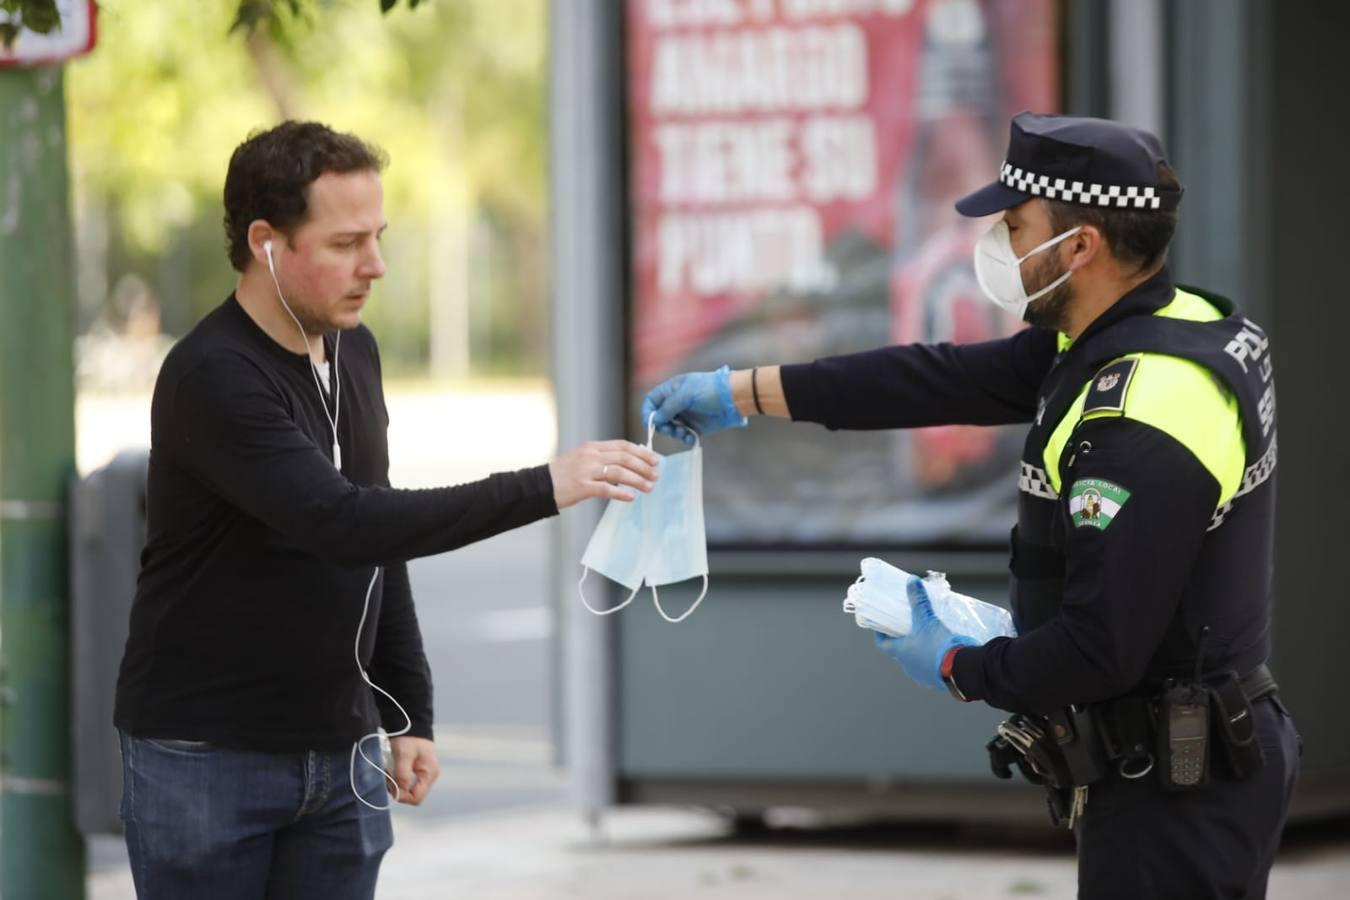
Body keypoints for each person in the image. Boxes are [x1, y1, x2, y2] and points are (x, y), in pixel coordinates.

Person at [643, 112, 1299, 899]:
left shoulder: (1139, 419)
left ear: (1080, 245)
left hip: (1177, 786)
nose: (1001, 249)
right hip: (1167, 760)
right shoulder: (1150, 329)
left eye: (1017, 227)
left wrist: (958, 662)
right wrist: (740, 392)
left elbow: (1099, 651)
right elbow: (936, 378)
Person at [113, 121, 659, 900]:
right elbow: (343, 524)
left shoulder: (352, 349)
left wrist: (410, 710)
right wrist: (547, 485)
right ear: (266, 242)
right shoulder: (213, 375)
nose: (376, 265)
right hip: (207, 755)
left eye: (379, 236)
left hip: (342, 752)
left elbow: (380, 534)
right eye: (345, 244)